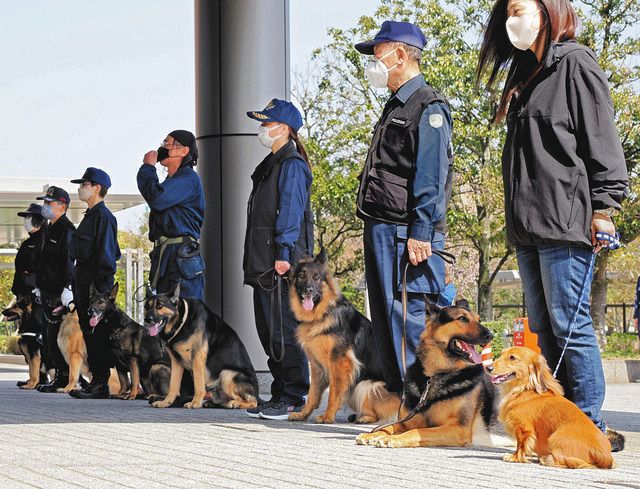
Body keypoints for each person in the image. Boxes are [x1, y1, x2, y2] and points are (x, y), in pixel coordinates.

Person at [477, 0, 629, 438]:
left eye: (520, 9)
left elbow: (601, 139)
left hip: (566, 219)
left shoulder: (575, 64)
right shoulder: (526, 76)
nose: (512, 20)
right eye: (507, 12)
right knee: (541, 327)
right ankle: (555, 419)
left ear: (548, 11)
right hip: (528, 226)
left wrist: (604, 208)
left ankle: (590, 424)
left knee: (570, 323)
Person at [354, 21, 454, 394]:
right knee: (385, 319)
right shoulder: (396, 105)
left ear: (399, 54)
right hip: (381, 226)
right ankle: (402, 401)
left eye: (377, 52)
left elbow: (431, 177)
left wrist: (421, 232)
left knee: (408, 317)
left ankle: (422, 403)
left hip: (404, 231)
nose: (373, 61)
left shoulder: (427, 106)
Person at [243, 99, 313, 420]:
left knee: (283, 330)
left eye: (267, 123)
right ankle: (279, 392)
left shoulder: (292, 165)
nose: (263, 129)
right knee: (269, 331)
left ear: (284, 129)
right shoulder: (271, 164)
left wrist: (284, 254)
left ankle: (293, 395)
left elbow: (290, 212)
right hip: (263, 263)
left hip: (280, 264)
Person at [67, 168, 121, 399]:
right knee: (89, 333)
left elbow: (108, 256)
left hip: (95, 286)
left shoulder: (104, 217)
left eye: (85, 184)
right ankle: (95, 381)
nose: (81, 188)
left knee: (98, 334)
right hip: (83, 282)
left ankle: (101, 384)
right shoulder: (89, 216)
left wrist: (100, 291)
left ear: (97, 188)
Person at [137, 130, 205, 300]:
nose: (162, 148)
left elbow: (156, 198)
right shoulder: (172, 181)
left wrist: (147, 168)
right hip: (166, 255)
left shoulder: (188, 179)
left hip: (179, 254)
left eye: (167, 144)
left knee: (184, 314)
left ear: (184, 151)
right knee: (163, 316)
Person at [34, 186, 76, 393]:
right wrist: (39, 286)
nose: (46, 207)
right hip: (48, 290)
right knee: (50, 335)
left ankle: (64, 376)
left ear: (62, 206)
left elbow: (68, 262)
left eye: (49, 203)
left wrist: (67, 288)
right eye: (45, 203)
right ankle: (59, 374)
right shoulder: (49, 228)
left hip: (60, 291)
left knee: (59, 336)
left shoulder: (66, 230)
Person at [12, 204, 48, 386]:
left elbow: (41, 268)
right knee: (28, 337)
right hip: (24, 295)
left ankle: (41, 376)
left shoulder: (44, 240)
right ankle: (36, 376)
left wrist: (35, 285)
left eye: (29, 217)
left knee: (36, 338)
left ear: (38, 220)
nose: (26, 221)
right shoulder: (28, 242)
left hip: (36, 298)